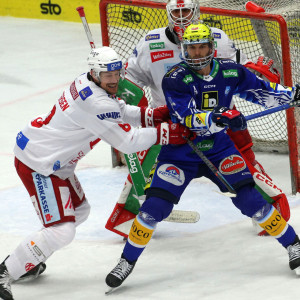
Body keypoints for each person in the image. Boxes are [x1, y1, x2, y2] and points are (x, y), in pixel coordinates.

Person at [105, 23, 300, 290]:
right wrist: (217, 117)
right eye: (191, 48)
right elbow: (187, 117)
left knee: (251, 200)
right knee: (153, 209)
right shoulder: (175, 77)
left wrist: (290, 95)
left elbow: (261, 92)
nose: (196, 53)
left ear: (211, 47)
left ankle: (294, 245)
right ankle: (126, 261)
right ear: (184, 49)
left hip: (219, 149)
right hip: (180, 152)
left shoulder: (231, 71)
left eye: (202, 47)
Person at [0, 46, 192, 300]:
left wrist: (153, 115)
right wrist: (166, 133)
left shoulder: (89, 84)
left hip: (55, 160)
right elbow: (127, 141)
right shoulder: (95, 102)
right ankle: (6, 270)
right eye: (107, 75)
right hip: (39, 163)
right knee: (61, 230)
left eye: (116, 73)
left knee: (79, 212)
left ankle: (26, 259)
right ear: (94, 72)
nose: (113, 80)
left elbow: (121, 111)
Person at [106, 0, 289, 238]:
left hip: (220, 120)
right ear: (169, 14)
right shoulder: (150, 43)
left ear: (197, 12)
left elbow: (237, 72)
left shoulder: (218, 38)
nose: (181, 17)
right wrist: (118, 90)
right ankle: (130, 216)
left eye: (186, 11)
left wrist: (257, 72)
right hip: (171, 121)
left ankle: (269, 210)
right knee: (147, 165)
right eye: (176, 12)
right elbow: (132, 78)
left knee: (243, 164)